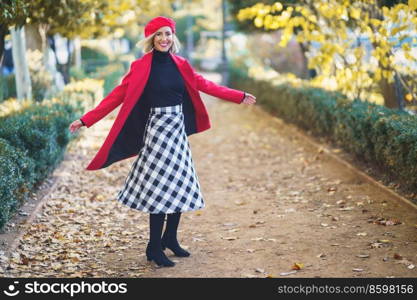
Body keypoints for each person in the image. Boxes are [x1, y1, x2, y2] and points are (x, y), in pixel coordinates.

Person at [69, 16, 256, 268]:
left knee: (178, 184)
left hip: (177, 130)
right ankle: (154, 246)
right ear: (151, 39)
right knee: (159, 188)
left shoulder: (182, 64)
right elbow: (116, 97)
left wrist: (239, 96)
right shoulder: (140, 67)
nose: (164, 39)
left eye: (167, 34)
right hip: (155, 132)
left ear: (173, 36)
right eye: (158, 35)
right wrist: (86, 119)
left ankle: (170, 239)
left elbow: (206, 85)